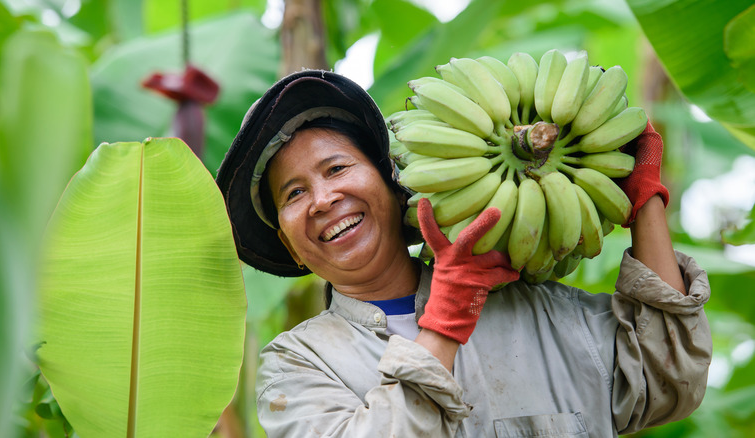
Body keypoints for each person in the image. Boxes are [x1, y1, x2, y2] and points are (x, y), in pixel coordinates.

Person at [215, 69, 712, 437]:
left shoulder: (541, 309)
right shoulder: (298, 365)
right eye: (294, 194)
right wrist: (445, 322)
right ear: (289, 246)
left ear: (395, 185)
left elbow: (670, 379)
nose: (323, 200)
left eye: (338, 168)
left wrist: (645, 201)